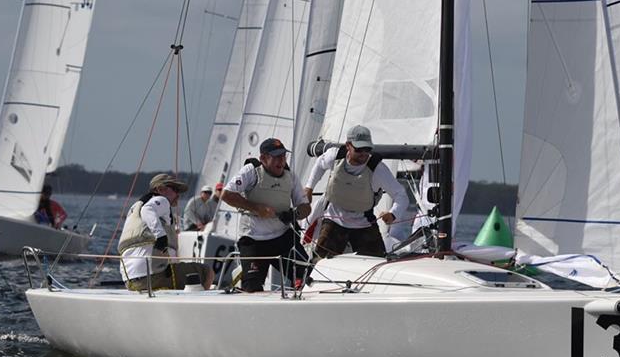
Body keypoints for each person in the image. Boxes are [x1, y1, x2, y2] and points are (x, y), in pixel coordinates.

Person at [304, 124, 408, 259]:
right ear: (348, 146)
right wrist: (309, 187)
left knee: (377, 264)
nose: (364, 154)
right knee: (319, 263)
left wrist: (393, 214)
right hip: (334, 220)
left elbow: (401, 195)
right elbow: (319, 164)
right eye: (359, 149)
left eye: (367, 149)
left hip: (363, 222)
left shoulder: (378, 169)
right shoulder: (335, 157)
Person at [221, 138, 311, 292]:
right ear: (263, 158)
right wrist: (256, 208)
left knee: (309, 277)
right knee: (252, 288)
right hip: (253, 239)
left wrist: (294, 214)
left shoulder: (290, 177)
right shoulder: (251, 171)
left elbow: (305, 207)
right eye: (276, 156)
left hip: (282, 237)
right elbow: (226, 194)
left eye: (283, 156)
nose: (281, 160)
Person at [118, 174, 214, 291]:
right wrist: (161, 236)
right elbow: (148, 210)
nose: (178, 194)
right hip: (152, 276)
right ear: (160, 189)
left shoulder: (135, 207)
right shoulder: (161, 200)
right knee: (206, 272)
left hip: (130, 280)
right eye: (174, 189)